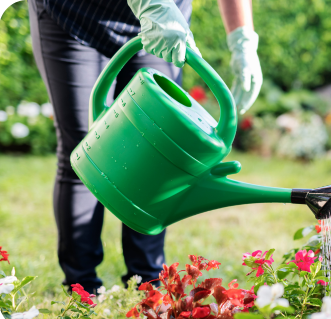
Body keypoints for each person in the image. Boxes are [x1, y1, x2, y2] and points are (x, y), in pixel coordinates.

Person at [28, 0, 262, 294]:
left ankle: (147, 284)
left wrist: (243, 40)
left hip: (165, 19)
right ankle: (81, 288)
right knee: (85, 149)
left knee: (160, 154)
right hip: (75, 15)